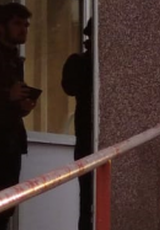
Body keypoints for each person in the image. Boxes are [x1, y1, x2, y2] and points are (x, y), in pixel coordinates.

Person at [0, 3, 37, 230]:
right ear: (1, 26)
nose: (23, 30)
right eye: (17, 24)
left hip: (10, 140)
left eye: (26, 25)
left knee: (4, 208)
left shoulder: (14, 59)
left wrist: (23, 106)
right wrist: (7, 96)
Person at [62, 19, 94, 230]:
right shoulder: (80, 62)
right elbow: (69, 86)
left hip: (92, 139)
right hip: (87, 140)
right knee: (88, 201)